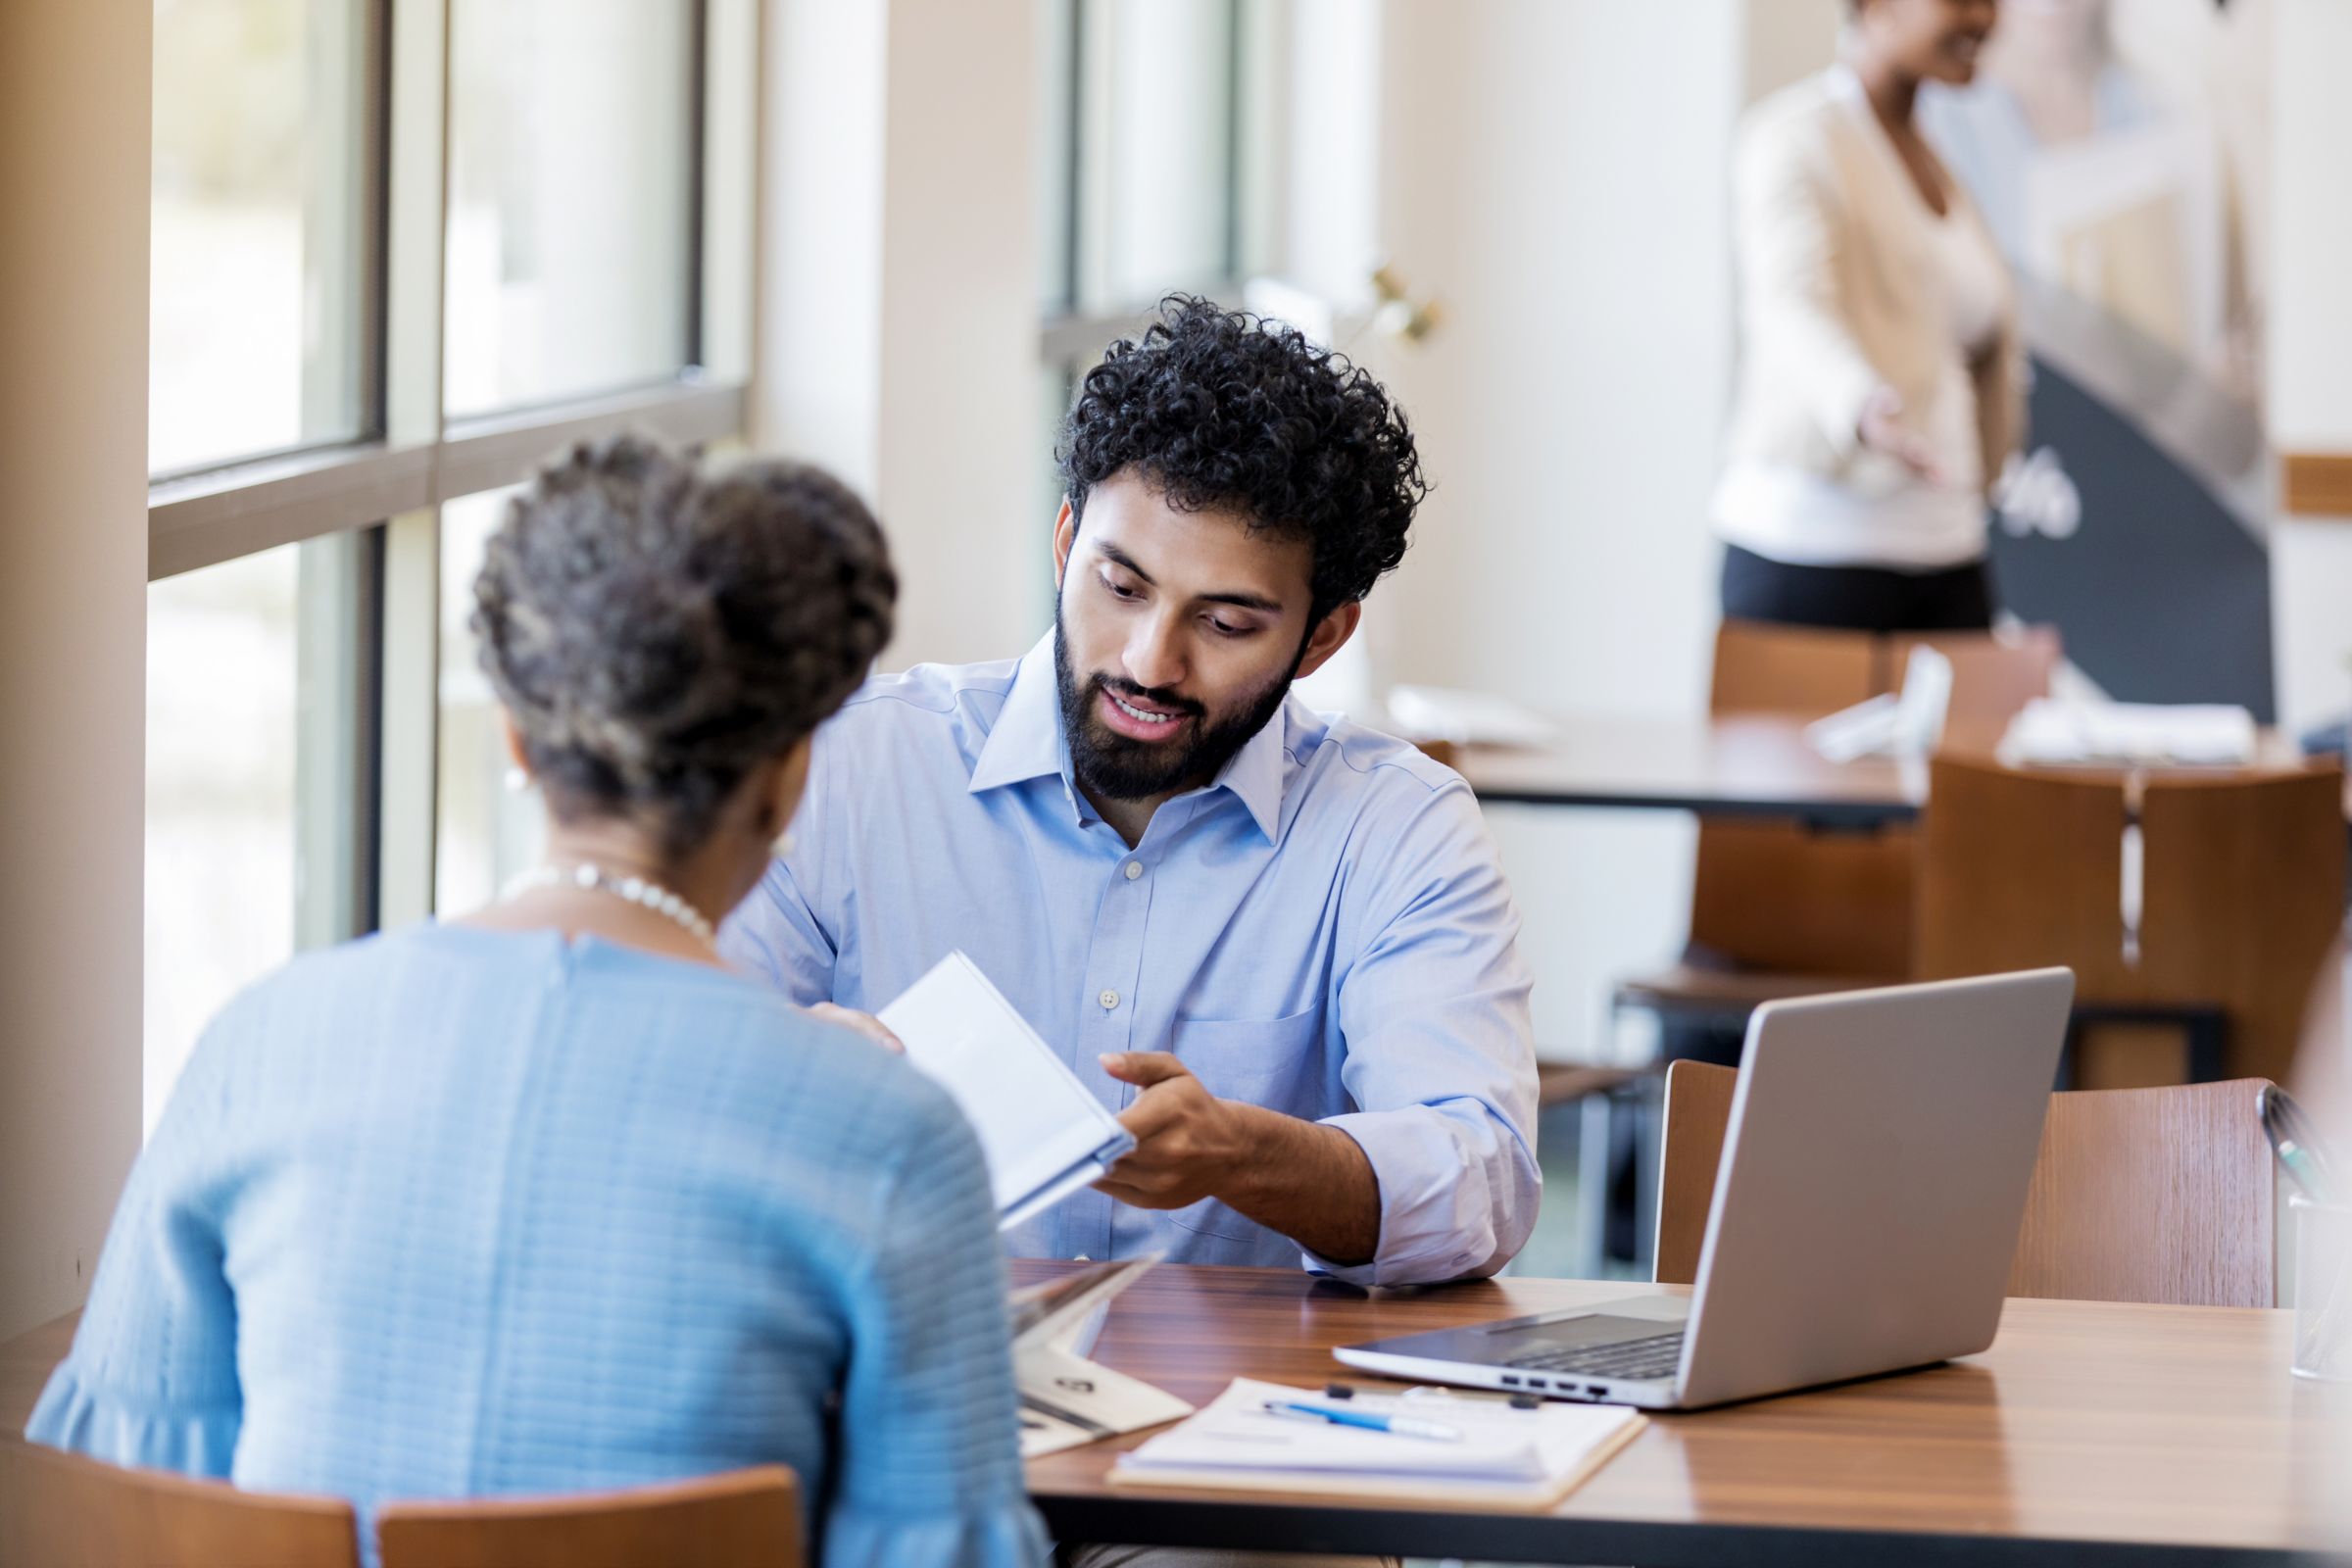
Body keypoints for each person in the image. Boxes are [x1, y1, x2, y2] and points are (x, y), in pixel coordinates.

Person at [26, 436, 1047, 1568]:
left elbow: (127, 1497)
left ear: (516, 740)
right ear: (790, 774)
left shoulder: (259, 1043)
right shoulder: (888, 1133)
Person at [722, 294, 1539, 1292]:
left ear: (1323, 637)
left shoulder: (1397, 828)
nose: (1151, 662)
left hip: (1242, 1415)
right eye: (1121, 585)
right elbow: (668, 1078)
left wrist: (1246, 1154)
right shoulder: (847, 766)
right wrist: (770, 1070)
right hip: (903, 1374)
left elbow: (1479, 1186)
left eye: (1228, 623)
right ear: (1067, 543)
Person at [1712, 0, 2024, 633]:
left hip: (1948, 553)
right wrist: (1860, 402)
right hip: (1812, 554)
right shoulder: (1796, 138)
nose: (1986, 19)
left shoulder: (1942, 167)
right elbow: (1789, 304)